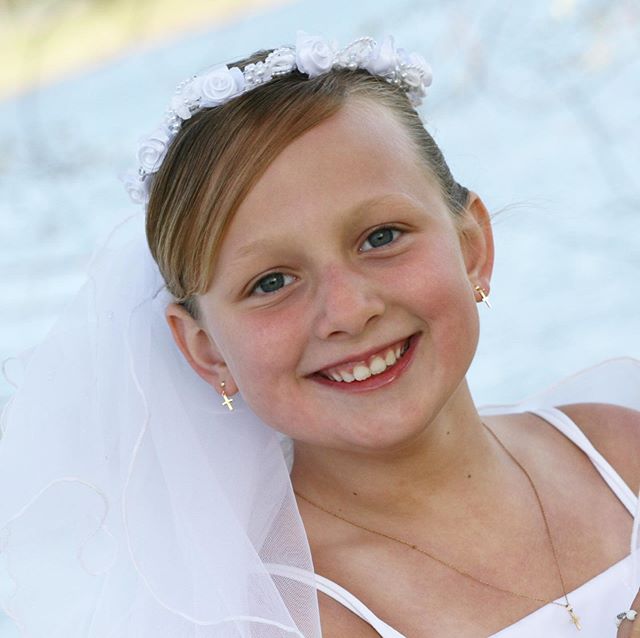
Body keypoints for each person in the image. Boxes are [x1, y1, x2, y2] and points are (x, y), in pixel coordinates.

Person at [0, 31, 639, 638]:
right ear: (205, 350)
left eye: (381, 237)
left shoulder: (620, 450)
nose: (348, 310)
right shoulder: (268, 616)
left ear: (472, 248)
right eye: (272, 281)